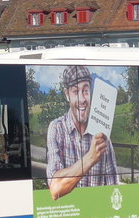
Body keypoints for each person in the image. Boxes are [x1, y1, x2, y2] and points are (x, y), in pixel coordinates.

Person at [46, 65, 119, 200]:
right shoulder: (57, 129)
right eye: (75, 91)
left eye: (86, 91)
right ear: (67, 94)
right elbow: (55, 188)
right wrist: (91, 158)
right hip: (70, 214)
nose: (82, 99)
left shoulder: (102, 137)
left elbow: (113, 188)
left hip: (96, 216)